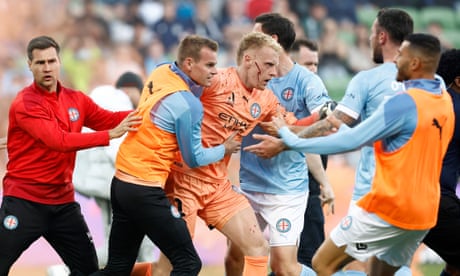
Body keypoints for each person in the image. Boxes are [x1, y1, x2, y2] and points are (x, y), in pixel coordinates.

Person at [249, 33, 454, 276]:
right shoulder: (444, 100)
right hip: (425, 213)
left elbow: (352, 140)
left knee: (322, 263)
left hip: (389, 208)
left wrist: (290, 138)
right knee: (380, 272)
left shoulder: (403, 103)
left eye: (401, 56)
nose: (395, 60)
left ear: (415, 63)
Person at [154, 31, 321, 276]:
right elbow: (170, 83)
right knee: (171, 265)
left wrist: (321, 119)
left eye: (275, 66)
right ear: (248, 60)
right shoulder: (215, 81)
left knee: (257, 247)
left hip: (217, 186)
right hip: (183, 182)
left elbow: (292, 125)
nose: (274, 73)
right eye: (268, 65)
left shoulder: (265, 100)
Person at [91, 34, 240, 276]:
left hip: (121, 184)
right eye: (210, 65)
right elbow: (194, 159)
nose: (215, 71)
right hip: (145, 189)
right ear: (189, 64)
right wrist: (225, 148)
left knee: (118, 268)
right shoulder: (189, 106)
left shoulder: (160, 72)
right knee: (188, 263)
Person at [0, 35, 141, 276]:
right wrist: (110, 135)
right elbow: (59, 141)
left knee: (87, 270)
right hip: (25, 201)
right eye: (40, 62)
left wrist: (147, 112)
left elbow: (107, 118)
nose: (47, 68)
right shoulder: (25, 103)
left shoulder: (76, 99)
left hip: (62, 203)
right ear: (29, 65)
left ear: (59, 62)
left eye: (51, 61)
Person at [225, 13, 334, 276]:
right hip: (249, 185)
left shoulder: (306, 81)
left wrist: (286, 138)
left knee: (283, 267)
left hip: (286, 190)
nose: (247, 39)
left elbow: (328, 123)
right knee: (234, 257)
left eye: (255, 33)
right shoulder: (249, 74)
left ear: (272, 40)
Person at [289, 36, 335, 269]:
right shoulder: (297, 100)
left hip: (306, 190)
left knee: (290, 262)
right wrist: (325, 183)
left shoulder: (315, 96)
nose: (313, 69)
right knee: (313, 260)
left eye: (315, 64)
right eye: (308, 64)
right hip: (304, 191)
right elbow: (307, 148)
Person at [422, 48, 460, 276]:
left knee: (455, 265)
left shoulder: (433, 104)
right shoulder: (456, 109)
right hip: (436, 202)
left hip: (414, 197)